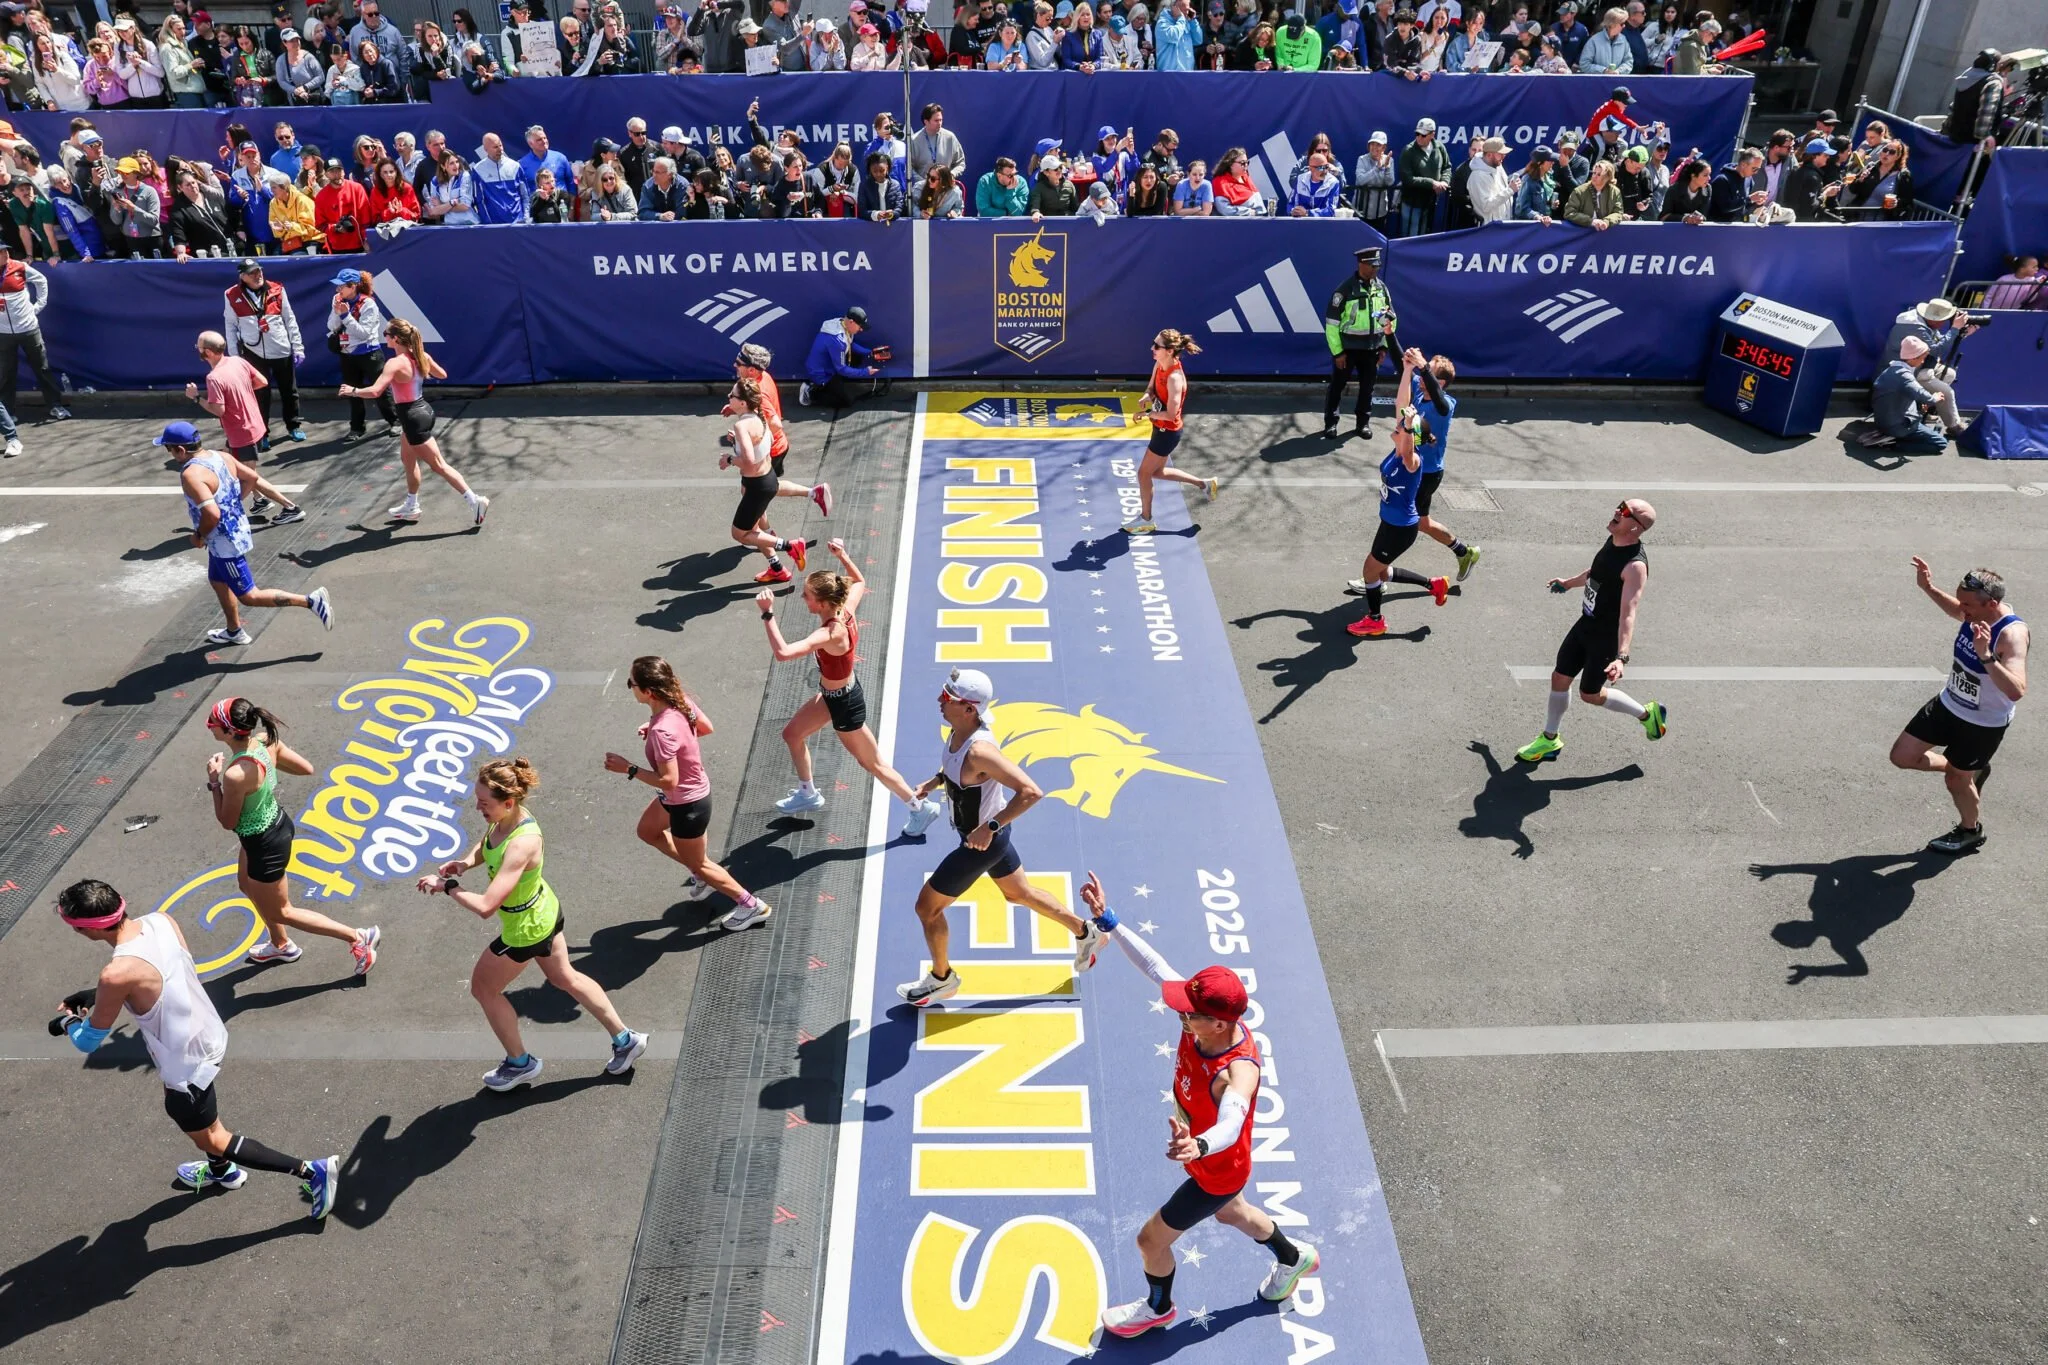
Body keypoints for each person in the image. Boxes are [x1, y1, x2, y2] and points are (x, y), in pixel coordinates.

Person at [1078, 874, 1319, 1336]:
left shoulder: (1236, 1070)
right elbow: (1155, 966)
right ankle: (1294, 1258)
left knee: (1151, 1241)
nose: (1181, 1015)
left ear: (1219, 1022)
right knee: (1233, 1213)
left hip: (1216, 1167)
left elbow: (1233, 1118)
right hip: (1211, 1160)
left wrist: (1200, 1146)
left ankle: (1158, 1308)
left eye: (1190, 1015)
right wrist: (1108, 921)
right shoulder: (1203, 1018)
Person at [52, 878, 341, 1216]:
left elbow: (88, 1040)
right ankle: (221, 1172)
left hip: (185, 1065)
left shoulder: (116, 975)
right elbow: (161, 975)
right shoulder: (161, 921)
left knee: (213, 1137)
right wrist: (98, 996)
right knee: (202, 1121)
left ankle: (311, 1171)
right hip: (207, 1033)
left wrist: (68, 1022)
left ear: (86, 930)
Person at [417, 758, 649, 1090]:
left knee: (484, 989)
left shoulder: (522, 844)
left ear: (508, 802)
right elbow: (488, 843)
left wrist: (448, 887)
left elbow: (485, 906)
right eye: (478, 800)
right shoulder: (507, 819)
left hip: (525, 930)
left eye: (484, 803)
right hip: (544, 911)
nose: (479, 808)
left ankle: (519, 1064)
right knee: (565, 977)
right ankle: (626, 1040)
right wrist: (465, 863)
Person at [895, 668, 1103, 1007]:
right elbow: (957, 770)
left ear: (969, 709)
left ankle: (942, 979)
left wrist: (988, 828)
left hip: (981, 845)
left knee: (926, 908)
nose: (939, 700)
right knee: (1018, 894)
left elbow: (1031, 792)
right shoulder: (958, 733)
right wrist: (934, 783)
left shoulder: (980, 751)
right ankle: (1086, 932)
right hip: (989, 838)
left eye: (947, 697)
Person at [756, 538, 947, 833]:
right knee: (792, 734)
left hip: (845, 705)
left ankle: (920, 808)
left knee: (873, 764)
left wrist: (768, 614)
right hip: (833, 695)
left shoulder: (830, 633)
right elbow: (859, 580)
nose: (803, 599)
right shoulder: (845, 607)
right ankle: (808, 792)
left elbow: (783, 654)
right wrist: (842, 555)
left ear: (822, 603)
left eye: (807, 596)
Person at [204, 696, 380, 973]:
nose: (208, 725)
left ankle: (358, 937)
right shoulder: (265, 741)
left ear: (228, 731)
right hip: (274, 824)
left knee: (282, 911)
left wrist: (214, 782)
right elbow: (305, 768)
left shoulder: (236, 774)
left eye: (212, 721)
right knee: (247, 885)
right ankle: (280, 945)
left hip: (264, 843)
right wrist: (266, 770)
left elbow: (227, 821)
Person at [599, 654, 770, 927]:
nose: (629, 686)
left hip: (687, 805)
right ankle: (702, 875)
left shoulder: (662, 731)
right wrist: (662, 732)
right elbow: (705, 728)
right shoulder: (679, 704)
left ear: (648, 691)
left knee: (701, 863)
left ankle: (751, 906)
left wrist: (628, 768)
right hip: (681, 798)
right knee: (647, 832)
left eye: (630, 682)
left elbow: (669, 780)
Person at [1889, 560, 2027, 855]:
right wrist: (1928, 587)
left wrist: (1986, 656)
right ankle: (1970, 769)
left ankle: (1969, 831)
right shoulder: (1973, 614)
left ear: (1991, 603)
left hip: (1982, 724)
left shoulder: (2011, 635)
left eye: (1967, 604)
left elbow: (2016, 690)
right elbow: (1955, 610)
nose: (1961, 611)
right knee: (1902, 756)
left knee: (1955, 780)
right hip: (1949, 703)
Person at [1515, 499, 1667, 763]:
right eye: (1621, 505)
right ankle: (1550, 739)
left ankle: (1646, 714)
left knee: (1590, 695)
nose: (1618, 511)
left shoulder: (1634, 567)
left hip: (1605, 639)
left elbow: (1628, 613)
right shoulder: (1614, 541)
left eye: (1626, 512)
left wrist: (1621, 658)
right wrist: (1569, 583)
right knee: (1559, 677)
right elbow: (1597, 571)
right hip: (1585, 624)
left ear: (1635, 528)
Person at [158, 420, 332, 646]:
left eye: (168, 449)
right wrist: (234, 501)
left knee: (250, 596)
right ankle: (234, 630)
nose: (170, 454)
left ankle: (311, 601)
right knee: (217, 580)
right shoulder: (222, 456)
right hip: (235, 532)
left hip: (224, 542)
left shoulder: (191, 474)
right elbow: (251, 478)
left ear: (180, 450)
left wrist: (198, 535)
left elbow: (211, 513)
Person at [341, 318, 489, 527]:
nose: (384, 338)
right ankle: (412, 506)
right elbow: (442, 374)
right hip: (422, 411)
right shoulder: (421, 356)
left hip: (412, 418)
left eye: (386, 334)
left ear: (395, 339)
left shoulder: (394, 363)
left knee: (439, 465)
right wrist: (422, 363)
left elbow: (375, 391)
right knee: (408, 460)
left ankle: (475, 501)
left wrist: (353, 390)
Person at [1344, 356, 1450, 639]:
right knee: (1380, 572)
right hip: (1389, 522)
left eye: (1402, 426)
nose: (1396, 425)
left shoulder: (1411, 460)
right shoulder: (1399, 449)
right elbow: (1401, 405)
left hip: (1400, 529)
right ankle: (1434, 584)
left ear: (1411, 437)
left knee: (1370, 570)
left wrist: (1411, 424)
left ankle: (1375, 620)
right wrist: (1405, 371)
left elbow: (1409, 435)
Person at [1122, 329, 1219, 534]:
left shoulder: (1175, 378)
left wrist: (1148, 414)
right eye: (1153, 343)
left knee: (1143, 474)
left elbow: (1171, 415)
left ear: (1170, 350)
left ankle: (1146, 519)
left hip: (1168, 432)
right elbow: (1150, 388)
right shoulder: (1160, 364)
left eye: (1157, 346)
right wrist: (1146, 397)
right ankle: (1204, 484)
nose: (1152, 348)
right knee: (1156, 472)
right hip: (1161, 428)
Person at [221, 259, 303, 447]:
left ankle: (294, 426)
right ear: (242, 276)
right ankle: (262, 433)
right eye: (252, 273)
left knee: (289, 392)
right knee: (260, 395)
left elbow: (290, 320)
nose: (258, 275)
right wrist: (234, 356)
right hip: (253, 351)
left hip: (280, 349)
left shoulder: (277, 289)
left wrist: (298, 347)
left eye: (259, 271)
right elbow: (231, 325)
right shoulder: (231, 294)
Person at [1323, 245, 1396, 439]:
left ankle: (1362, 423)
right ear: (1361, 264)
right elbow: (1331, 324)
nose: (1375, 269)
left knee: (1367, 388)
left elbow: (1390, 318)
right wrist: (1338, 352)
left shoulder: (1381, 288)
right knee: (1337, 386)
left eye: (1377, 266)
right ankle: (1331, 423)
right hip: (1348, 349)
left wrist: (1384, 346)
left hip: (1372, 348)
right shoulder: (1345, 290)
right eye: (1371, 265)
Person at [1884, 299, 1975, 438]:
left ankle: (1923, 409)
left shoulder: (1924, 324)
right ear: (1934, 318)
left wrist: (1962, 334)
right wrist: (1955, 329)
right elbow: (1937, 350)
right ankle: (1954, 426)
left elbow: (1941, 342)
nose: (1945, 322)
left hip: (1920, 365)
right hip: (1904, 372)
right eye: (1943, 319)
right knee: (1947, 392)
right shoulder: (1915, 327)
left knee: (1949, 374)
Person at [0, 236, 68, 421]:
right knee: (6, 373)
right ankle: (8, 413)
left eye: (5, 250)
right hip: (3, 333)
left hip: (28, 328)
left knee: (42, 368)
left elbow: (41, 281)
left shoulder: (19, 267)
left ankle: (55, 405)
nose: (5, 254)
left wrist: (38, 306)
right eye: (0, 252)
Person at [326, 268, 397, 442]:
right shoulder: (338, 300)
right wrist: (337, 312)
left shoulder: (368, 304)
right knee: (351, 392)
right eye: (337, 287)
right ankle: (357, 428)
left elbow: (364, 333)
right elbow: (331, 326)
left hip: (369, 354)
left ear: (353, 286)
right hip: (348, 354)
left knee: (380, 390)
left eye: (341, 286)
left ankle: (395, 421)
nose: (338, 290)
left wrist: (345, 315)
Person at [1869, 336, 1951, 453]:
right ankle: (1894, 444)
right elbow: (1926, 397)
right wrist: (1935, 397)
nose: (1922, 362)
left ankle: (1897, 437)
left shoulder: (1890, 370)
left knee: (1921, 416)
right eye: (1922, 358)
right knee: (1941, 443)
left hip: (1882, 421)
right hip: (1897, 427)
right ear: (1913, 358)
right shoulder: (1905, 376)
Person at [801, 305, 888, 409]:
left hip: (830, 365)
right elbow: (841, 369)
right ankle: (811, 392)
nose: (861, 330)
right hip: (822, 374)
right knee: (846, 402)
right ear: (851, 322)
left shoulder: (842, 323)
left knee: (857, 358)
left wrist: (870, 353)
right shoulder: (836, 341)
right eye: (860, 326)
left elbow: (850, 344)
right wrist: (865, 372)